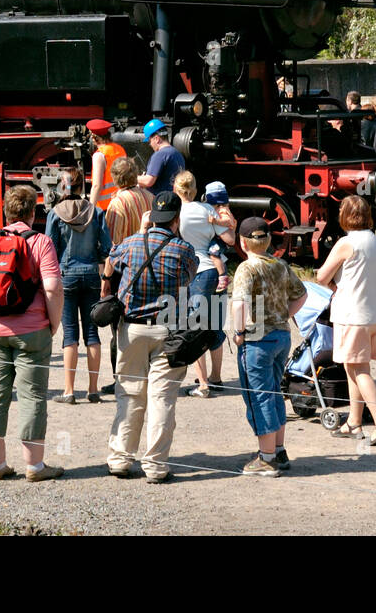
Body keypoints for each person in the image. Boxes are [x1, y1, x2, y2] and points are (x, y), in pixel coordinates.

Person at [0, 185, 64, 481]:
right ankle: (34, 467)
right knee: (33, 396)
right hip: (32, 330)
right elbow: (52, 288)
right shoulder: (42, 242)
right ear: (33, 213)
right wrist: (53, 322)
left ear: (5, 212)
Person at [104, 191, 196, 483]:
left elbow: (111, 262)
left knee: (129, 394)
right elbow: (189, 278)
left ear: (152, 217)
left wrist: (141, 232)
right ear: (176, 219)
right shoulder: (183, 249)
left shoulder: (130, 244)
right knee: (162, 398)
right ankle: (155, 465)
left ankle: (120, 458)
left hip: (131, 328)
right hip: (169, 329)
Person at [315, 195, 376, 445]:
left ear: (345, 215)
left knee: (359, 370)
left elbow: (321, 276)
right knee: (353, 367)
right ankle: (354, 421)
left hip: (352, 315)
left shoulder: (345, 243)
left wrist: (334, 286)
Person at [229, 217, 307, 476]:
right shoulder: (280, 264)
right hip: (281, 336)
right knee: (274, 393)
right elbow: (302, 294)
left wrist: (239, 331)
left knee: (258, 394)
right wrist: (283, 315)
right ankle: (279, 449)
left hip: (257, 339)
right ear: (269, 240)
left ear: (242, 242)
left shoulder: (246, 269)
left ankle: (267, 458)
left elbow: (239, 303)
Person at [44, 167, 111, 404]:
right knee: (92, 333)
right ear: (82, 186)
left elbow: (49, 250)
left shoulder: (54, 214)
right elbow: (106, 249)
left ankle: (69, 391)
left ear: (63, 186)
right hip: (92, 275)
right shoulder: (97, 212)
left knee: (70, 334)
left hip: (66, 276)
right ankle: (93, 389)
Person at [175, 171, 235, 397]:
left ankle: (202, 384)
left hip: (195, 272)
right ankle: (217, 377)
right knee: (215, 326)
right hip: (216, 272)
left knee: (195, 329)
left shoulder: (178, 213)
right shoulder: (208, 210)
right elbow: (229, 239)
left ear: (177, 190)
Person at [100, 156, 154, 395]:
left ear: (115, 178)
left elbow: (114, 245)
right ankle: (148, 373)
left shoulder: (116, 204)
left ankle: (120, 378)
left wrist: (105, 280)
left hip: (124, 271)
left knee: (119, 328)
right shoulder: (149, 197)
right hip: (150, 266)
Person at [136, 118, 185, 195]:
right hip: (174, 200)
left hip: (161, 203)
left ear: (157, 139)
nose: (150, 145)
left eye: (149, 141)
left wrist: (132, 178)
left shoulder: (160, 155)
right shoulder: (177, 153)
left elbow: (148, 181)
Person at [86, 119, 126, 210]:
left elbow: (97, 186)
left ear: (94, 137)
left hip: (105, 207)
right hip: (120, 202)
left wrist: (90, 209)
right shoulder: (119, 149)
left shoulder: (99, 155)